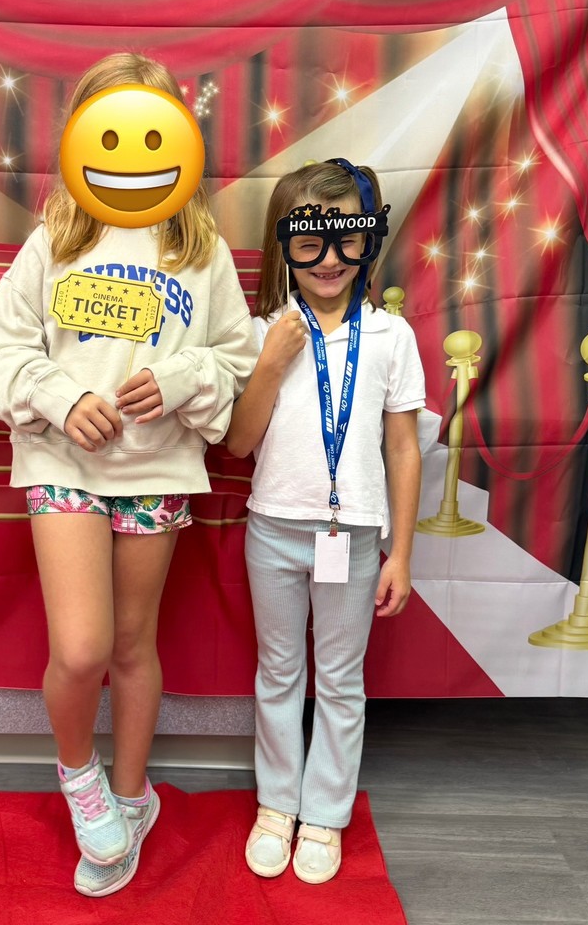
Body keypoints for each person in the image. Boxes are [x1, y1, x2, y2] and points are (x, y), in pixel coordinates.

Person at [0, 53, 257, 897]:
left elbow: (234, 359)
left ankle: (133, 796)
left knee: (133, 647)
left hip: (158, 467)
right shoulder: (55, 238)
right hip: (64, 465)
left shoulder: (197, 249)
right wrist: (57, 397)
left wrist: (177, 380)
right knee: (84, 646)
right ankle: (78, 775)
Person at [225, 159, 424, 884]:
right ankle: (276, 804)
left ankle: (325, 814)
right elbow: (238, 442)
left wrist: (400, 551)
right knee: (278, 672)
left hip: (356, 535)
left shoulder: (389, 335)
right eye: (310, 242)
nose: (330, 260)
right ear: (285, 246)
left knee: (339, 681)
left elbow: (402, 448)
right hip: (272, 527)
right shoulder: (260, 332)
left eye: (348, 240)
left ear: (367, 243)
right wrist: (270, 364)